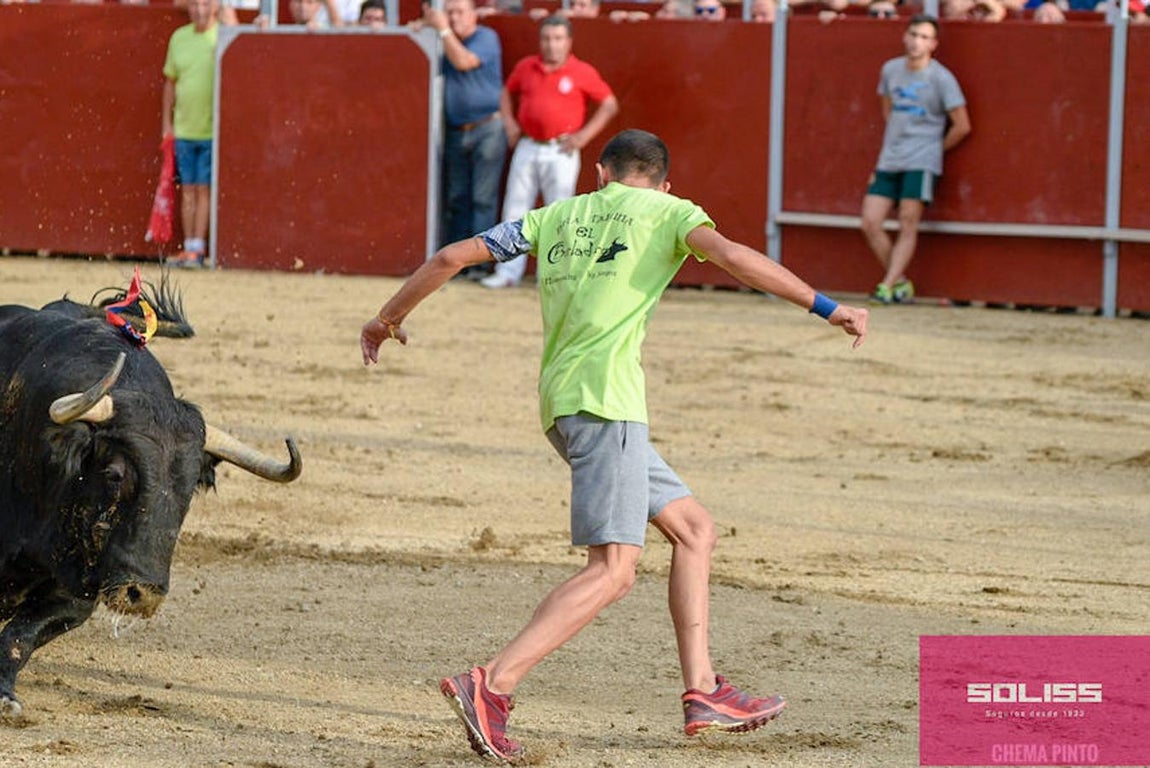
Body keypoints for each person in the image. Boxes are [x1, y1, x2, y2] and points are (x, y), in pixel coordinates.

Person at [360, 129, 869, 763]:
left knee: (694, 529)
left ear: (600, 173)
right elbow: (736, 258)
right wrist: (827, 306)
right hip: (610, 407)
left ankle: (703, 691)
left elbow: (449, 257)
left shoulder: (558, 215)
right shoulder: (672, 213)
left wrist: (387, 319)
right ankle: (492, 682)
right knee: (613, 571)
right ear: (664, 181)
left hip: (563, 404)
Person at [480, 16, 619, 289]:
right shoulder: (526, 67)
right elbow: (506, 93)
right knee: (515, 208)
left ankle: (555, 275)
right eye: (546, 39)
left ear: (568, 42)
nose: (551, 45)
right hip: (529, 144)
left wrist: (582, 137)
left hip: (561, 149)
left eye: (557, 39)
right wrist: (510, 124)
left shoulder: (581, 71)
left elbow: (609, 104)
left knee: (561, 213)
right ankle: (508, 272)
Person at [860, 14, 970, 305]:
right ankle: (901, 282)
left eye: (923, 37)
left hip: (921, 160)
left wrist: (933, 149)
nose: (916, 42)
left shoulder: (941, 78)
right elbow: (889, 112)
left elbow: (962, 125)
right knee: (870, 222)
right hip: (890, 157)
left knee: (908, 222)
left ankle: (886, 285)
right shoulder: (891, 70)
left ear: (933, 44)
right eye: (913, 34)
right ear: (904, 37)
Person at [425, 0, 507, 278]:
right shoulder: (443, 40)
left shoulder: (485, 37)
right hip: (457, 130)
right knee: (458, 198)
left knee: (482, 198)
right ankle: (457, 263)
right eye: (449, 12)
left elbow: (464, 61)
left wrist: (442, 30)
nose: (454, 18)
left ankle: (480, 264)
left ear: (474, 15)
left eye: (460, 12)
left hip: (488, 127)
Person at [162, 0, 219, 268]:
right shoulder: (179, 37)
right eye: (195, 4)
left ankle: (198, 247)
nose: (199, 10)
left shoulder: (222, 35)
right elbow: (170, 84)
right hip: (185, 127)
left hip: (211, 129)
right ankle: (190, 246)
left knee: (202, 189)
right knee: (188, 189)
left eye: (205, 4)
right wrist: (167, 124)